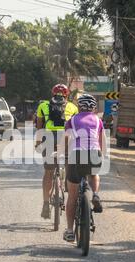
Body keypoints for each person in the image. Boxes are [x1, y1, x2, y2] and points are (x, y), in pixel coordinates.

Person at [63, 94, 106, 242]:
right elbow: (100, 142)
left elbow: (66, 140)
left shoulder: (71, 120)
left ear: (79, 107)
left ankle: (69, 230)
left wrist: (62, 154)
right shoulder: (98, 121)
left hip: (76, 155)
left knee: (72, 196)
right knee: (94, 174)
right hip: (95, 152)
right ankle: (95, 194)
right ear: (94, 108)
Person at [35, 84, 79, 219]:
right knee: (69, 165)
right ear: (67, 94)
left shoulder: (43, 105)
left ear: (52, 93)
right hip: (66, 138)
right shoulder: (73, 107)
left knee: (48, 171)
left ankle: (46, 204)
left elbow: (39, 126)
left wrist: (37, 143)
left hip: (48, 138)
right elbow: (75, 127)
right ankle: (67, 187)